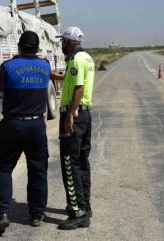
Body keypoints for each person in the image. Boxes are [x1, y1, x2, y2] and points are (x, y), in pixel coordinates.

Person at [0, 30, 52, 235]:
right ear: (37, 48)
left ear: (19, 46)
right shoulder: (45, 66)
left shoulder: (8, 67)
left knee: (3, 169)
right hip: (36, 126)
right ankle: (36, 214)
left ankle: (2, 214)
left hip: (13, 125)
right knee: (38, 170)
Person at [51, 26, 95, 230]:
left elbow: (79, 88)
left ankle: (78, 213)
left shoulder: (76, 60)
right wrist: (54, 76)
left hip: (75, 115)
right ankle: (85, 206)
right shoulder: (86, 58)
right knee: (82, 161)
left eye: (63, 42)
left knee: (70, 163)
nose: (61, 45)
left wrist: (70, 115)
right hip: (84, 115)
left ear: (68, 42)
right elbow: (73, 80)